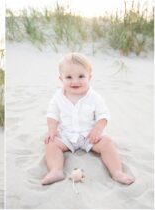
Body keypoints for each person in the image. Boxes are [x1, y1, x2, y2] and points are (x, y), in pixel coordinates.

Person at [41, 52, 135, 185]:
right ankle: (56, 170)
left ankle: (117, 172)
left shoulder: (94, 97)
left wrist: (97, 129)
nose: (75, 81)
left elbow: (103, 115)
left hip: (90, 135)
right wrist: (51, 129)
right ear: (61, 79)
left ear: (89, 77)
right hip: (66, 135)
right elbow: (52, 115)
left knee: (107, 142)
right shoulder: (57, 97)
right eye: (69, 77)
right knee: (50, 144)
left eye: (81, 76)